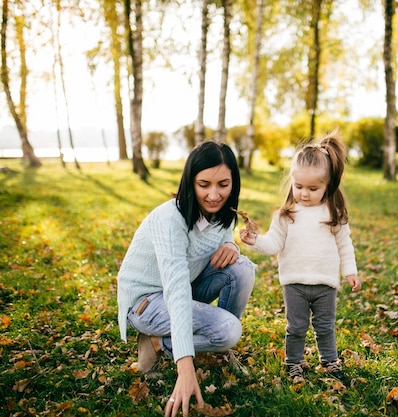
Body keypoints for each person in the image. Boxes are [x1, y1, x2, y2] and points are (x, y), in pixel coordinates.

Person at [117, 141, 255, 416]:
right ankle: (157, 343)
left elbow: (220, 237)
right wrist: (185, 366)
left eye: (223, 184)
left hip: (186, 289)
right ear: (190, 181)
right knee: (229, 330)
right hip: (147, 302)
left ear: (233, 183)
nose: (214, 195)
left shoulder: (221, 214)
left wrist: (232, 245)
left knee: (242, 267)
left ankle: (218, 348)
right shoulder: (171, 219)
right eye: (204, 184)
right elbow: (177, 291)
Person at [239, 129, 361, 383]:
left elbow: (344, 244)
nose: (304, 193)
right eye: (299, 186)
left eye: (313, 188)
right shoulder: (286, 215)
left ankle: (329, 362)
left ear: (327, 186)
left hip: (325, 282)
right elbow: (274, 243)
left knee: (325, 327)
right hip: (294, 282)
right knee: (296, 327)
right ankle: (294, 362)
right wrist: (255, 241)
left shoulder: (333, 213)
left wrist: (350, 271)